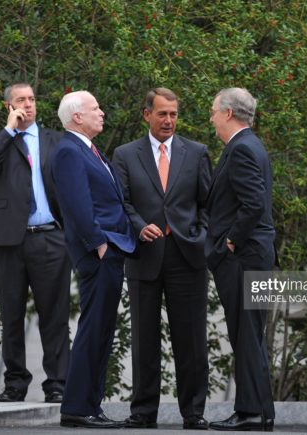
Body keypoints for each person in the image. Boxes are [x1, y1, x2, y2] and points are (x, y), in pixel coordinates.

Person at [113, 88, 212, 430]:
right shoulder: (125, 155)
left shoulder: (197, 152)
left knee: (192, 341)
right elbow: (121, 203)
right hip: (144, 258)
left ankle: (194, 412)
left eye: (173, 114)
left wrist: (200, 235)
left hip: (187, 257)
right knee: (143, 339)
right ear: (146, 115)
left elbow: (207, 204)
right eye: (162, 114)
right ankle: (142, 412)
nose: (168, 120)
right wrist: (139, 227)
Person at [0, 82, 71, 403]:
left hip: (49, 238)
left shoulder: (56, 140)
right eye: (21, 100)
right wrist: (9, 131)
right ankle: (15, 383)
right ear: (9, 106)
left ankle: (58, 383)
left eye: (32, 99)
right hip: (10, 242)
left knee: (55, 315)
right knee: (11, 315)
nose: (29, 105)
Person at [51, 90, 136, 429]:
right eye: (95, 108)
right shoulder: (69, 152)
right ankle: (77, 406)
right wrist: (98, 244)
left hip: (111, 249)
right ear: (77, 117)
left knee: (102, 330)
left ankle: (90, 405)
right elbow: (75, 204)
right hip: (100, 252)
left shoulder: (89, 150)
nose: (102, 112)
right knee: (94, 328)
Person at [205, 88, 276, 432]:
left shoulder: (242, 149)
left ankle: (250, 412)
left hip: (243, 257)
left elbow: (253, 205)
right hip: (253, 256)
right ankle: (261, 411)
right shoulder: (251, 145)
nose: (211, 118)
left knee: (246, 335)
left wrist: (229, 241)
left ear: (229, 113)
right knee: (250, 335)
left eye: (214, 112)